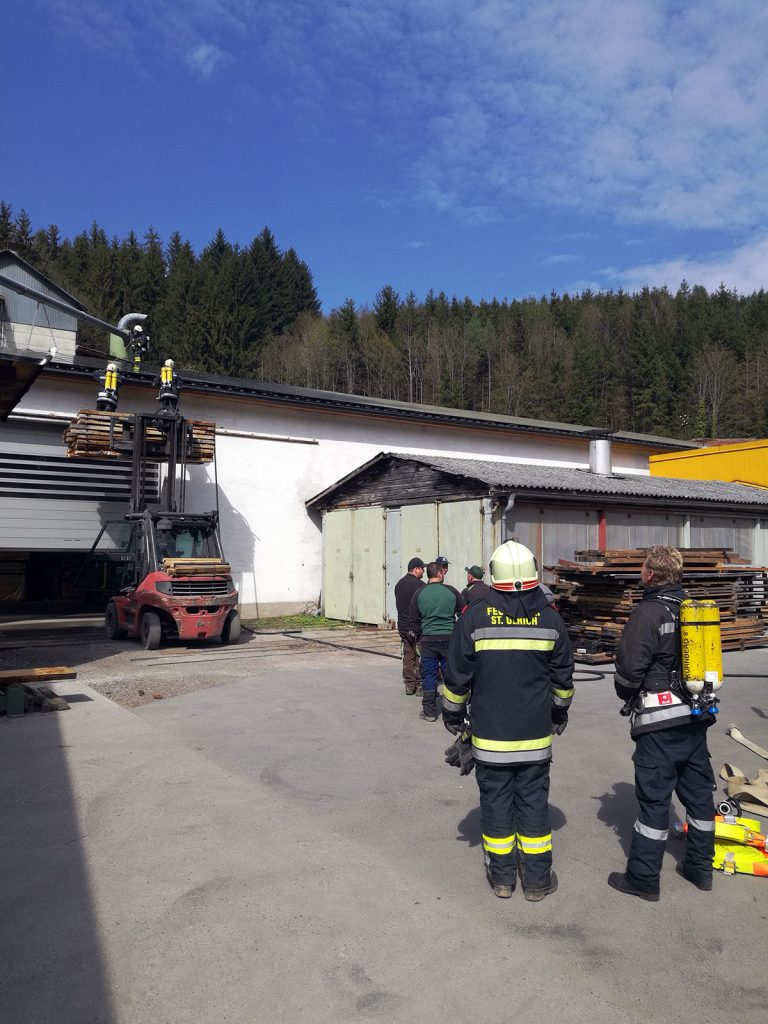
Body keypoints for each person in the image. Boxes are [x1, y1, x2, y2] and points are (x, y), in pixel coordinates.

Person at [443, 540, 574, 901]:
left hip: (490, 740)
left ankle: (502, 881)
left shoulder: (474, 616)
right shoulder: (550, 617)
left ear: (494, 575)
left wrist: (452, 714)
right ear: (532, 575)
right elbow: (564, 679)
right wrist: (559, 711)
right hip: (535, 737)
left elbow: (456, 677)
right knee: (533, 806)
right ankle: (537, 882)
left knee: (497, 806)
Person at [608, 545, 716, 901]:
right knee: (699, 797)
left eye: (642, 568)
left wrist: (626, 693)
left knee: (655, 800)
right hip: (696, 717)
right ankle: (701, 868)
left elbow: (629, 671)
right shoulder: (694, 609)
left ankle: (643, 877)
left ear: (650, 574)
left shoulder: (649, 612)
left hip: (659, 723)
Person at [409, 561, 463, 721]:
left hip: (428, 640)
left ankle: (430, 712)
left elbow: (414, 619)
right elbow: (465, 613)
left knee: (430, 675)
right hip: (449, 638)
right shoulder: (452, 591)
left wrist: (420, 636)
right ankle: (454, 712)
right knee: (450, 675)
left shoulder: (419, 593)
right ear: (440, 574)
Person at [394, 557, 426, 695]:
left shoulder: (399, 584)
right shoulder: (420, 585)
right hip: (416, 626)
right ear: (416, 569)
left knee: (408, 654)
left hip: (403, 626)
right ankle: (419, 685)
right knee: (419, 654)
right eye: (422, 569)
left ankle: (409, 685)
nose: (424, 571)